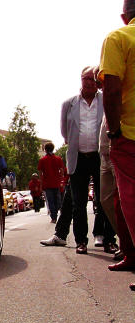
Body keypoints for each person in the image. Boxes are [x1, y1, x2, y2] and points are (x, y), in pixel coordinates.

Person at [99, 0, 135, 289]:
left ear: (125, 16)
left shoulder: (118, 38)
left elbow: (111, 90)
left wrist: (114, 132)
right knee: (120, 201)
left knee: (130, 200)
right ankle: (131, 254)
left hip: (130, 135)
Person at [61, 66, 115, 254]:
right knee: (79, 202)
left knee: (105, 200)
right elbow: (64, 132)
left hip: (101, 157)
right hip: (78, 158)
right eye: (86, 79)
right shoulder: (69, 104)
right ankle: (81, 241)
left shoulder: (106, 99)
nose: (90, 82)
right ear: (81, 80)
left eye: (94, 79)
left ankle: (109, 239)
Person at [38, 142, 65, 223]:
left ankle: (54, 217)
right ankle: (57, 214)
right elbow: (62, 171)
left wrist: (41, 183)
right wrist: (61, 179)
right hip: (57, 183)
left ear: (45, 150)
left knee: (50, 201)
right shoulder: (58, 158)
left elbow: (40, 173)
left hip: (47, 184)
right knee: (58, 200)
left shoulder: (42, 160)